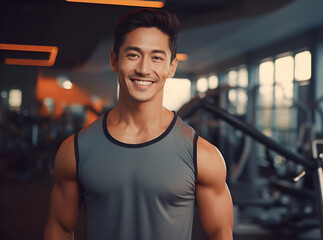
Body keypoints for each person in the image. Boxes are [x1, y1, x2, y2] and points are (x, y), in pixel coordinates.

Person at [44, 8, 234, 240]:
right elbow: (60, 230)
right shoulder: (76, 149)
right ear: (115, 60)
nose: (144, 69)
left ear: (171, 67)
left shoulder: (202, 155)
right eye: (133, 55)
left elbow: (220, 234)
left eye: (157, 57)